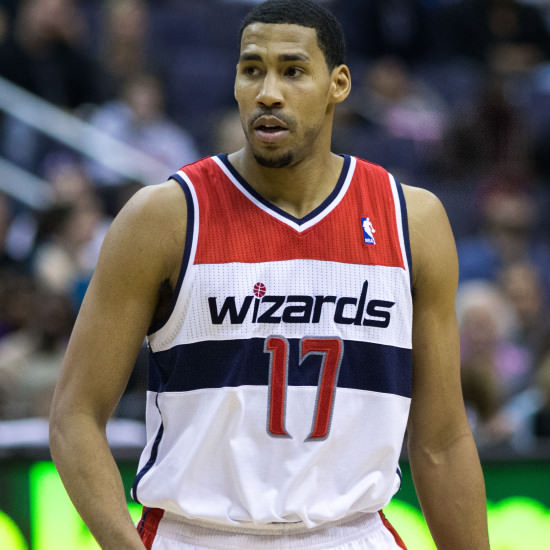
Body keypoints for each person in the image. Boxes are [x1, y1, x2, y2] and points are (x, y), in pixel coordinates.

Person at [49, 1, 490, 549]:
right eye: (252, 70)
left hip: (352, 533)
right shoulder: (164, 217)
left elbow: (441, 442)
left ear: (338, 84)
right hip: (199, 536)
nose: (268, 93)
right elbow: (74, 417)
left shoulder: (411, 221)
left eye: (293, 71)